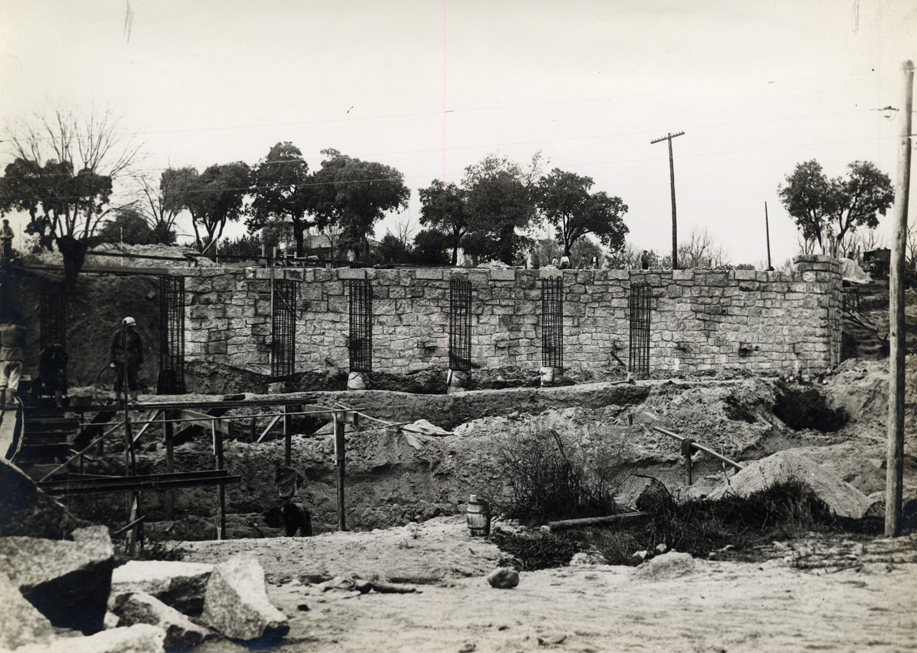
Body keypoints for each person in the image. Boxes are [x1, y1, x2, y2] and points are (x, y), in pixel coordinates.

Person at [110, 316, 143, 403]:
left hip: (132, 360)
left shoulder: (136, 335)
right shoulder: (117, 334)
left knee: (133, 380)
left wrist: (140, 362)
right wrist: (112, 361)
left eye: (131, 327)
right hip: (120, 360)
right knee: (118, 380)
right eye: (128, 326)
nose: (130, 328)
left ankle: (134, 398)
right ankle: (116, 398)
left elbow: (140, 349)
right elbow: (112, 348)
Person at [0, 311, 26, 411]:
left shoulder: (1, 328)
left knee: (2, 379)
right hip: (16, 356)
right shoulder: (21, 329)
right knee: (13, 380)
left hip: (3, 356)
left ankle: (0, 403)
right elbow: (24, 344)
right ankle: (9, 402)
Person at [33, 343, 69, 408]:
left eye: (51, 354)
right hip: (46, 372)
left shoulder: (59, 353)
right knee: (35, 383)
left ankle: (59, 404)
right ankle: (35, 403)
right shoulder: (42, 355)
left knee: (58, 382)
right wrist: (43, 381)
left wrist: (61, 369)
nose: (50, 355)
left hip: (56, 370)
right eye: (49, 354)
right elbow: (40, 370)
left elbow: (64, 361)